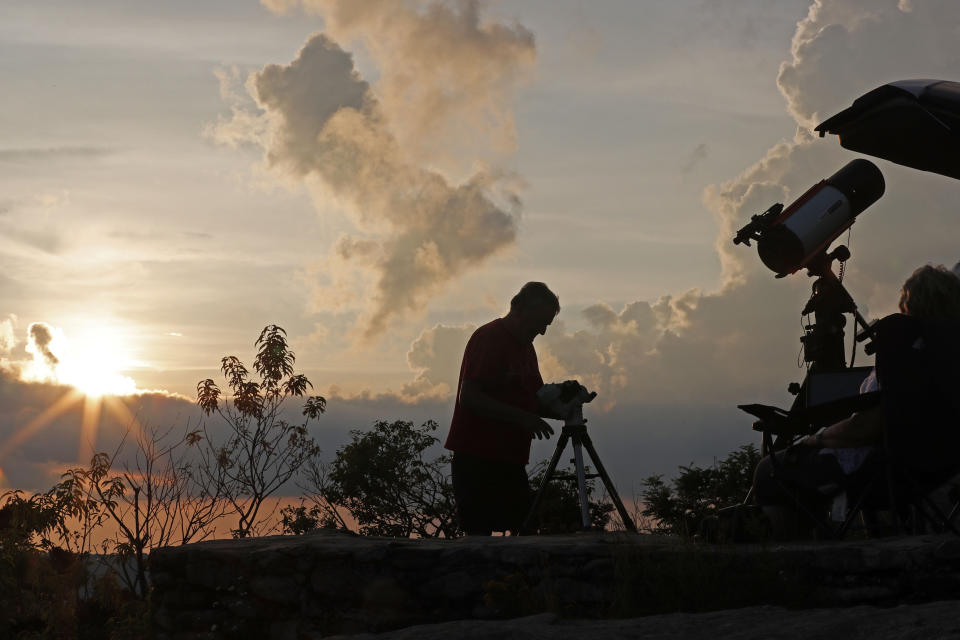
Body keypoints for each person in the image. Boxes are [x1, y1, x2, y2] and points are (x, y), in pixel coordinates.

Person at [753, 264, 960, 538]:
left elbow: (869, 427)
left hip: (883, 471)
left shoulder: (906, 345)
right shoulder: (950, 352)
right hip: (939, 468)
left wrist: (817, 438)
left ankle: (784, 564)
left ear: (911, 304)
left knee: (769, 470)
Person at [444, 282, 562, 535]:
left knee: (525, 528)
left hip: (510, 458)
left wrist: (566, 408)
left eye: (546, 325)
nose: (541, 332)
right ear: (519, 309)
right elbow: (470, 397)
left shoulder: (526, 348)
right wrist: (524, 418)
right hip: (477, 456)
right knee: (479, 536)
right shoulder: (489, 338)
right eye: (539, 323)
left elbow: (533, 399)